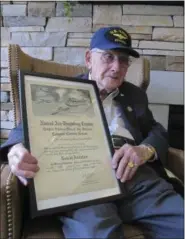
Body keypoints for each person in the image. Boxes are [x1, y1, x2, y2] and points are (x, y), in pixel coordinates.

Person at [1, 27, 184, 239]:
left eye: (123, 60)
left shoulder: (134, 94)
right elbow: (23, 129)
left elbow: (156, 129)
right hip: (84, 181)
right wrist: (15, 149)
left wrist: (144, 150)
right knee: (98, 233)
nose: (117, 67)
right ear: (89, 58)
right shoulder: (59, 90)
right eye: (108, 57)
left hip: (136, 178)